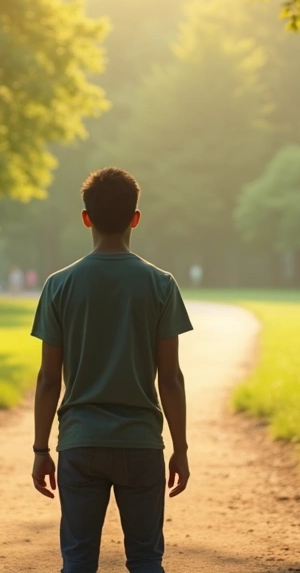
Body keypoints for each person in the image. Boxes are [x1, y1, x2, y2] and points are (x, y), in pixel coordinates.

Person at [30, 167, 193, 573]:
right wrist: (181, 449)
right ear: (136, 217)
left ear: (86, 217)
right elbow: (170, 377)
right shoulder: (161, 284)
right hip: (141, 444)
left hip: (80, 443)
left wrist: (40, 450)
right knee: (145, 560)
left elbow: (49, 378)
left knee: (79, 561)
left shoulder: (58, 285)